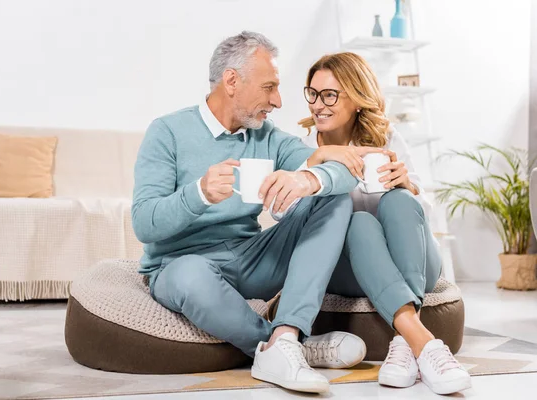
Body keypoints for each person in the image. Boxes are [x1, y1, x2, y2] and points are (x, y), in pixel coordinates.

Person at [131, 32, 367, 394]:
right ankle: (283, 348)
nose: (278, 100)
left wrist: (307, 178)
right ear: (231, 81)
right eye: (269, 87)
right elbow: (145, 223)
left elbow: (342, 174)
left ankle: (288, 333)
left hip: (249, 256)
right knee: (191, 275)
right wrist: (199, 194)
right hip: (180, 263)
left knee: (332, 198)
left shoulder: (267, 136)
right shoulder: (168, 132)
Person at [296, 52, 472, 395]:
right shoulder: (303, 151)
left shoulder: (385, 137)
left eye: (330, 95)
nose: (318, 104)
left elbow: (425, 214)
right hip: (348, 270)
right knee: (358, 221)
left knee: (400, 199)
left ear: (357, 97)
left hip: (415, 259)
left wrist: (409, 185)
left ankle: (405, 344)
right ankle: (421, 342)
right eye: (313, 94)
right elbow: (294, 225)